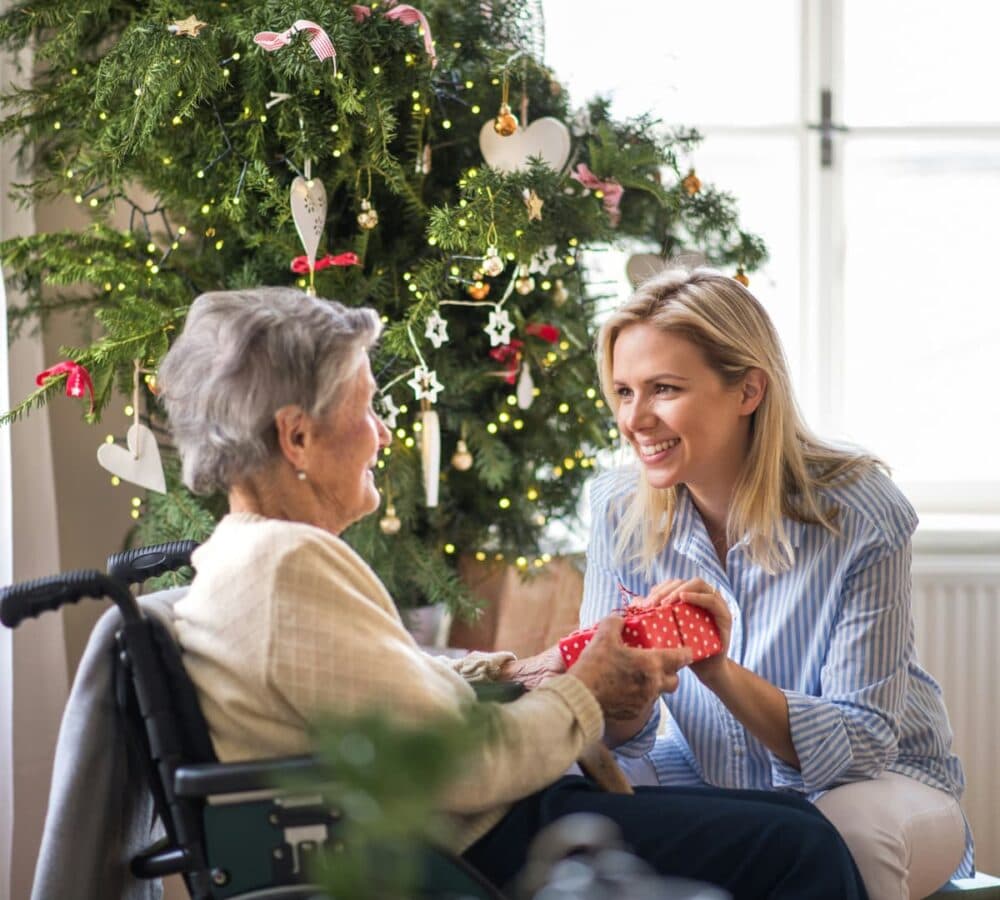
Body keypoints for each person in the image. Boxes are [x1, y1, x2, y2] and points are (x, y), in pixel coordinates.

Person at [158, 286, 869, 899]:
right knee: (800, 846)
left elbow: (382, 684)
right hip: (475, 848)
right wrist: (586, 689)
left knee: (797, 827)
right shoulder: (287, 565)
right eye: (366, 408)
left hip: (478, 828)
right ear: (298, 437)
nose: (381, 433)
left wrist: (525, 670)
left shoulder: (248, 556)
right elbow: (461, 768)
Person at [582, 266, 970, 900]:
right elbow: (614, 734)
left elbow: (863, 744)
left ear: (749, 391)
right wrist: (624, 687)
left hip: (879, 784)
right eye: (624, 392)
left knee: (846, 837)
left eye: (664, 389)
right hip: (704, 775)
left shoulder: (860, 512)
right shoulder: (616, 510)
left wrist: (718, 671)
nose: (636, 419)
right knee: (592, 808)